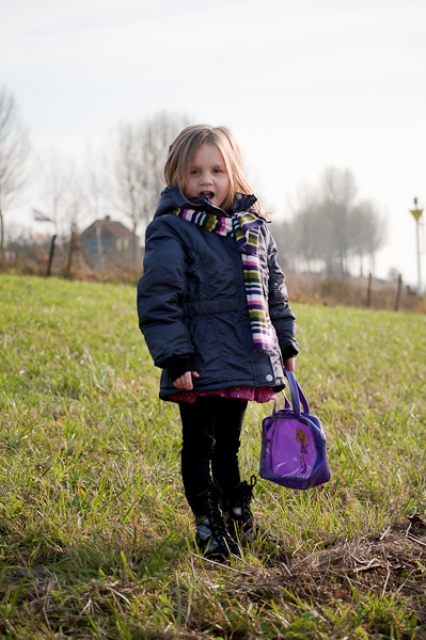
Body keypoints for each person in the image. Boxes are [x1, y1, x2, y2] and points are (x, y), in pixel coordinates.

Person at [137, 125, 298, 561]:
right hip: (199, 362)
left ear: (233, 174)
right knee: (199, 444)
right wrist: (176, 356)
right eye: (195, 172)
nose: (206, 181)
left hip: (244, 358)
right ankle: (207, 523)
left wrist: (284, 345)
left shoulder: (254, 228)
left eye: (216, 170)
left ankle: (237, 515)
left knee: (229, 445)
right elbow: (159, 297)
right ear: (178, 176)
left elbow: (273, 294)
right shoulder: (172, 230)